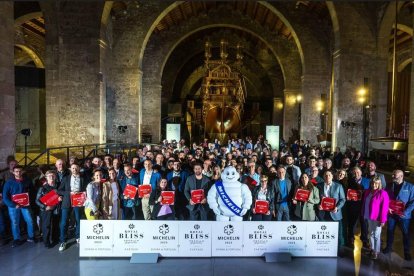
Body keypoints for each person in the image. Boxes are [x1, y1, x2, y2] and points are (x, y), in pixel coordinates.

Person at [383, 169, 414, 261]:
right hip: (392, 214)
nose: (392, 176)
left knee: (405, 234)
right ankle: (388, 247)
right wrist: (387, 208)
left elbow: (413, 202)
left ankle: (407, 252)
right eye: (392, 175)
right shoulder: (388, 185)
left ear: (401, 176)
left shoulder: (410, 187)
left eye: (394, 175)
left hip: (404, 216)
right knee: (390, 231)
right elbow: (385, 198)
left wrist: (406, 212)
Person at [2, 166, 35, 247]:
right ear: (13, 172)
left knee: (30, 220)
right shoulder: (9, 183)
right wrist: (13, 205)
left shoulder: (27, 180)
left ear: (22, 171)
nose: (18, 173)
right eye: (16, 171)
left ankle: (31, 236)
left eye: (20, 171)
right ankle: (16, 239)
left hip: (25, 205)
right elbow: (5, 197)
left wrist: (29, 200)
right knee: (15, 222)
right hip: (13, 206)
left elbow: (32, 191)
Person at [58, 163, 86, 251]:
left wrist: (83, 193)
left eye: (76, 168)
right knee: (64, 222)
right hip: (67, 201)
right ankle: (63, 241)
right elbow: (59, 190)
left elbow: (86, 189)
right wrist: (69, 193)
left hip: (78, 201)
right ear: (70, 169)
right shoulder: (66, 178)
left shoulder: (83, 178)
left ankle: (78, 237)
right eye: (73, 168)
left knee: (78, 220)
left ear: (79, 168)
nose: (75, 170)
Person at [361, 176, 389, 260]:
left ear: (379, 184)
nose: (374, 185)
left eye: (376, 183)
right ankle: (372, 249)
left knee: (376, 235)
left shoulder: (383, 193)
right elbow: (364, 203)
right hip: (368, 216)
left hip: (377, 218)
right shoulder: (367, 192)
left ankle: (376, 252)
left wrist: (382, 220)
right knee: (370, 234)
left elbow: (384, 208)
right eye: (373, 183)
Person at [317, 170, 346, 248]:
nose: (327, 177)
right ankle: (325, 248)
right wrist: (318, 205)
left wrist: (337, 207)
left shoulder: (338, 186)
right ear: (323, 177)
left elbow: (343, 199)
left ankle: (340, 249)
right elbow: (316, 199)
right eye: (325, 175)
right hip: (323, 213)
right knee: (324, 233)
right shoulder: (318, 186)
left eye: (329, 175)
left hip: (335, 213)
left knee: (338, 233)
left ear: (332, 176)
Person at [36, 170, 61, 248]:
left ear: (55, 177)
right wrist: (45, 207)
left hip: (56, 209)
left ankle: (55, 239)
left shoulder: (58, 186)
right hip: (46, 210)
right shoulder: (42, 188)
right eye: (49, 176)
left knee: (56, 224)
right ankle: (46, 242)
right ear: (46, 177)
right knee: (46, 226)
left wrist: (60, 198)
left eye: (53, 175)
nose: (51, 177)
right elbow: (37, 201)